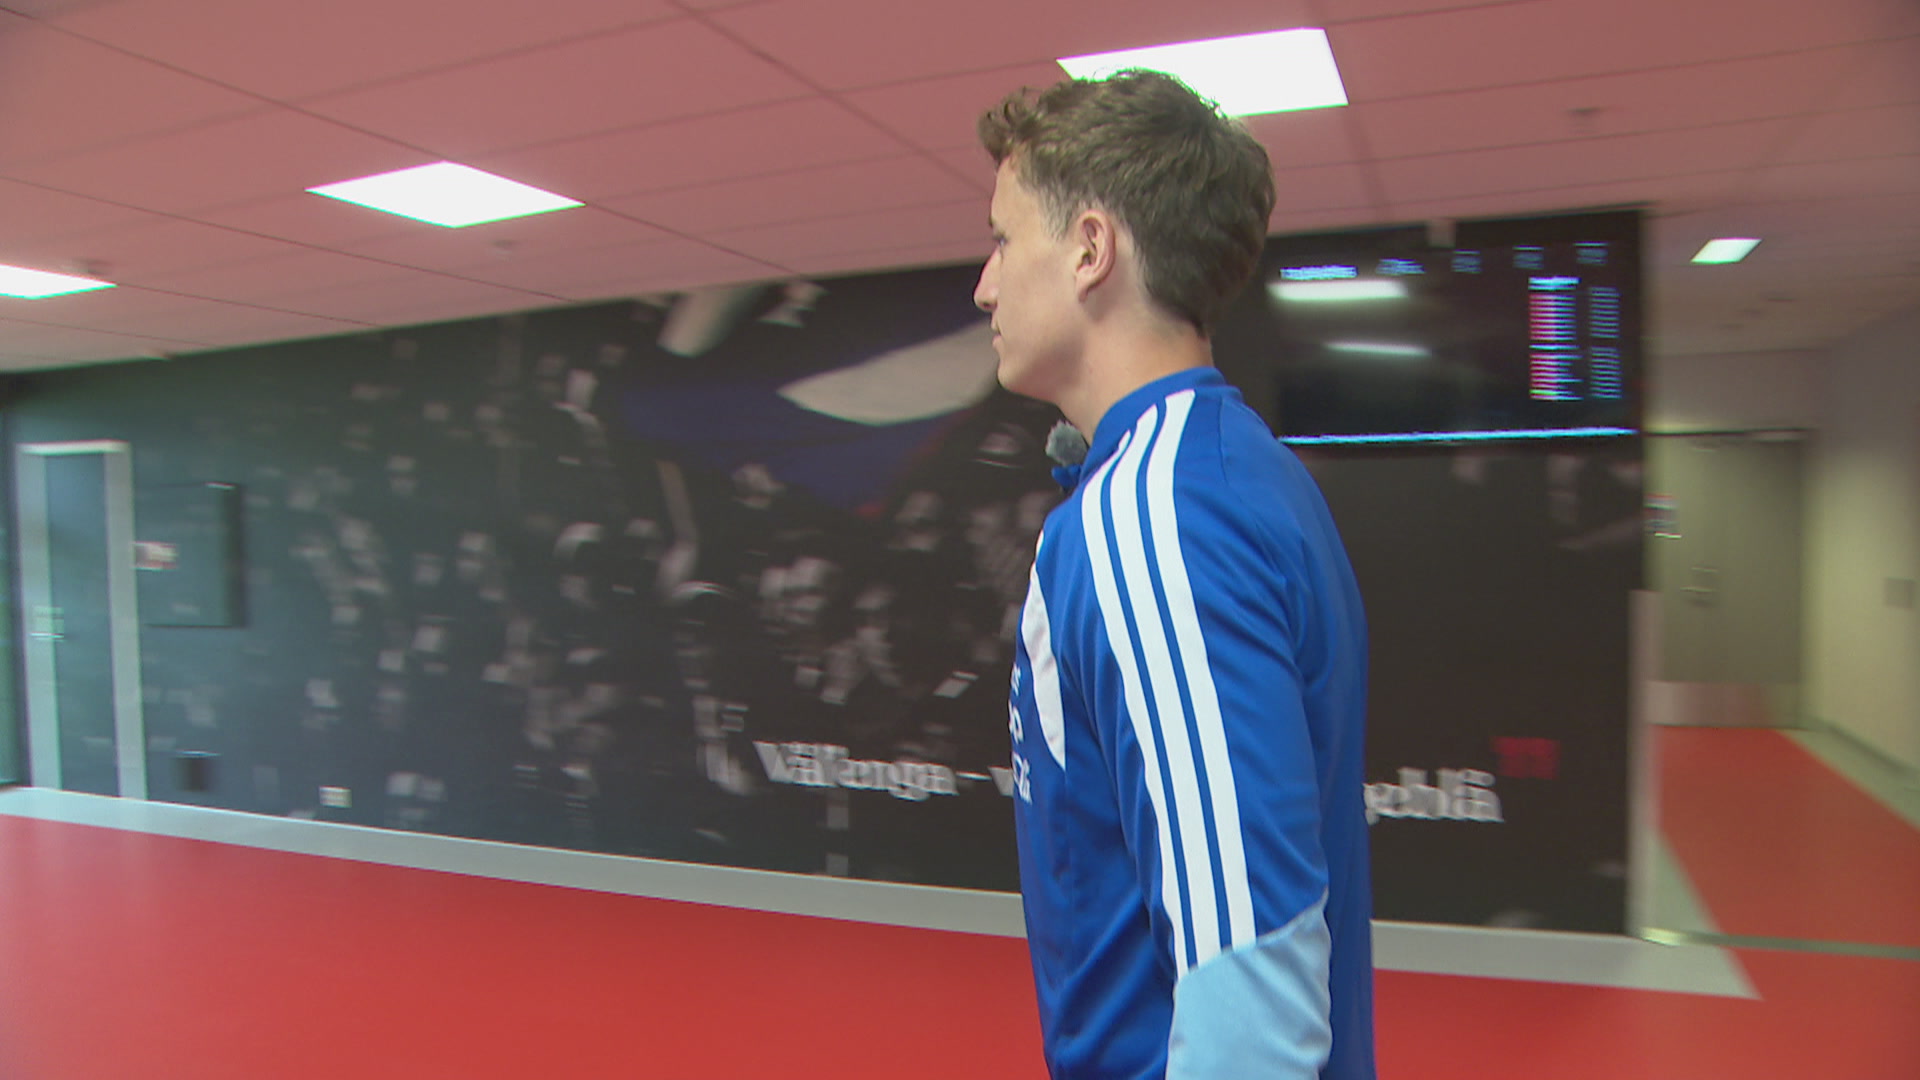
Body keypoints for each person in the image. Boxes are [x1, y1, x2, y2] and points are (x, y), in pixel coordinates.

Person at [974, 70, 1375, 1079]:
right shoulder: (1237, 473)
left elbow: (1252, 1003)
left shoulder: (1156, 518)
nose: (985, 283)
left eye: (1003, 240)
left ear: (1090, 249)